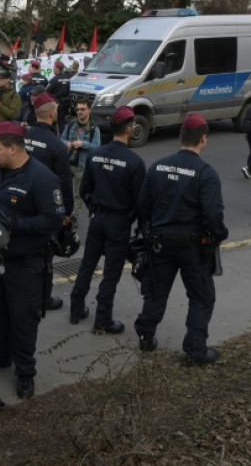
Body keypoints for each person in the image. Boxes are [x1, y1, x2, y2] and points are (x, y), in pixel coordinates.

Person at [0, 121, 65, 399]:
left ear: (13, 148)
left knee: (23, 320)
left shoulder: (42, 178)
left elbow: (53, 220)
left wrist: (14, 225)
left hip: (25, 264)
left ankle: (25, 372)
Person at [134, 112, 229, 364]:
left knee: (155, 292)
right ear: (203, 139)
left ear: (180, 137)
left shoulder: (158, 166)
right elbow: (213, 213)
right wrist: (219, 235)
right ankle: (196, 350)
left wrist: (147, 232)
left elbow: (143, 206)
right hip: (193, 247)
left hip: (160, 243)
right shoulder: (205, 173)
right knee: (201, 297)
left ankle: (145, 335)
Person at [69, 107, 146, 332]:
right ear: (130, 129)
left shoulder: (95, 155)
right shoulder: (134, 162)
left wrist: (95, 207)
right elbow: (140, 201)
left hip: (98, 218)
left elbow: (84, 189)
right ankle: (103, 320)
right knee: (111, 273)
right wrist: (138, 224)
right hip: (119, 222)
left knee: (87, 265)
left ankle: (76, 309)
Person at [23, 93, 74, 308]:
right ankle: (44, 298)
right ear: (53, 114)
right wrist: (66, 212)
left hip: (22, 203)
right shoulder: (57, 145)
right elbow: (64, 183)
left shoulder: (23, 136)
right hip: (45, 209)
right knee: (46, 257)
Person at [61, 99, 102, 226]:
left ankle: (74, 216)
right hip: (67, 163)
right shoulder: (71, 124)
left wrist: (83, 144)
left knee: (78, 193)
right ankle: (63, 213)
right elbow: (61, 138)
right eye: (78, 109)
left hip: (82, 166)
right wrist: (66, 143)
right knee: (63, 190)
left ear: (89, 110)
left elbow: (97, 147)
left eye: (83, 109)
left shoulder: (94, 129)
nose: (79, 112)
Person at [47, 60, 73, 130]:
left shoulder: (54, 80)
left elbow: (47, 91)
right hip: (66, 104)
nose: (53, 69)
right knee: (64, 121)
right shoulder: (67, 78)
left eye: (54, 67)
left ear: (57, 68)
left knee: (57, 122)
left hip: (57, 104)